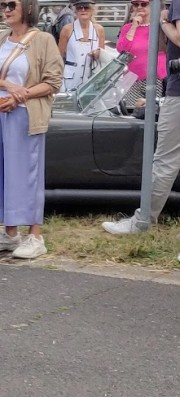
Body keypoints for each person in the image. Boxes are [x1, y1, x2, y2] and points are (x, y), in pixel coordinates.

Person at [0, 0, 62, 259]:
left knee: (27, 173)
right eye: (3, 5)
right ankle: (10, 233)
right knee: (1, 171)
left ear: (27, 8)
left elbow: (52, 82)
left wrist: (19, 97)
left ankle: (35, 236)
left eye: (12, 4)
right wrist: (7, 87)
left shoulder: (44, 40)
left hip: (25, 115)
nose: (6, 9)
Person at [101, 6, 180, 235]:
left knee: (165, 160)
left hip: (173, 89)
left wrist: (162, 22)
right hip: (152, 85)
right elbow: (127, 51)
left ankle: (143, 220)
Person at [116, 0, 167, 106]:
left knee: (153, 112)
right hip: (132, 80)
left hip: (155, 79)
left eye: (143, 4)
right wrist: (134, 26)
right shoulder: (127, 28)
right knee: (133, 112)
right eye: (136, 4)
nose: (139, 7)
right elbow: (122, 49)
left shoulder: (160, 26)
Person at [58, 0, 104, 92]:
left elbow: (102, 55)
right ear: (75, 11)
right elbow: (58, 57)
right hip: (70, 79)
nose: (83, 10)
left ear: (92, 10)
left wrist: (97, 53)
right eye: (79, 8)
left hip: (91, 78)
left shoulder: (99, 29)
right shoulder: (67, 29)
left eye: (86, 7)